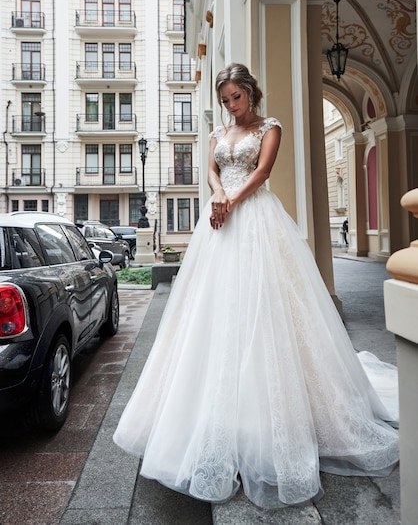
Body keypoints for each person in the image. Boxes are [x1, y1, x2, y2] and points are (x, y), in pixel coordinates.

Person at [113, 63, 398, 509]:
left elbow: (263, 173)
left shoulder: (271, 127)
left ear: (251, 93)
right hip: (218, 221)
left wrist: (232, 200)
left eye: (236, 98)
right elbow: (210, 171)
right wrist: (217, 197)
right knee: (209, 309)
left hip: (255, 218)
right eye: (225, 100)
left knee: (266, 306)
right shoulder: (218, 133)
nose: (230, 106)